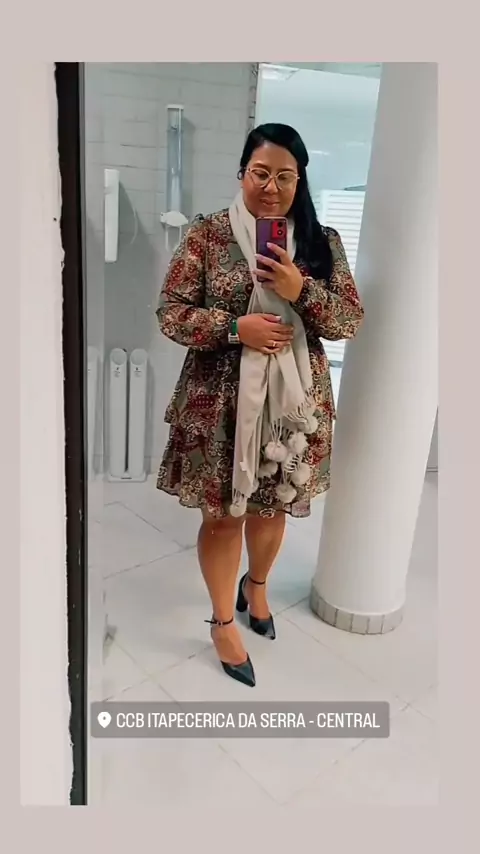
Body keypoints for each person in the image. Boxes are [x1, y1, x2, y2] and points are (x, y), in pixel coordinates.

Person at [156, 123, 364, 687]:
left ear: (300, 181)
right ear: (241, 174)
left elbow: (348, 321)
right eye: (260, 173)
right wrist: (234, 328)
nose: (272, 187)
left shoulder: (322, 243)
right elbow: (170, 312)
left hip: (292, 413)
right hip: (219, 408)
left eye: (285, 176)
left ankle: (258, 587)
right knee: (225, 518)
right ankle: (223, 622)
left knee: (273, 508)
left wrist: (302, 291)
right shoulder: (207, 236)